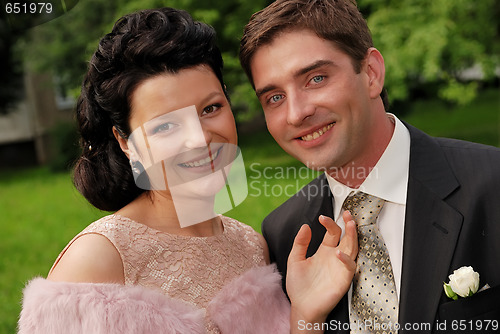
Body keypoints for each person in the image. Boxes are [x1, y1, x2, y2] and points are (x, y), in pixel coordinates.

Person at [18, 7, 359, 334]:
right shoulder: (97, 262)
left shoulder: (251, 246)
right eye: (166, 126)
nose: (199, 139)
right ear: (126, 142)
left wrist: (306, 315)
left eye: (210, 108)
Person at [239, 0, 500, 333]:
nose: (295, 113)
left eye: (316, 78)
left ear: (372, 74)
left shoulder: (492, 184)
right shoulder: (284, 236)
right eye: (274, 97)